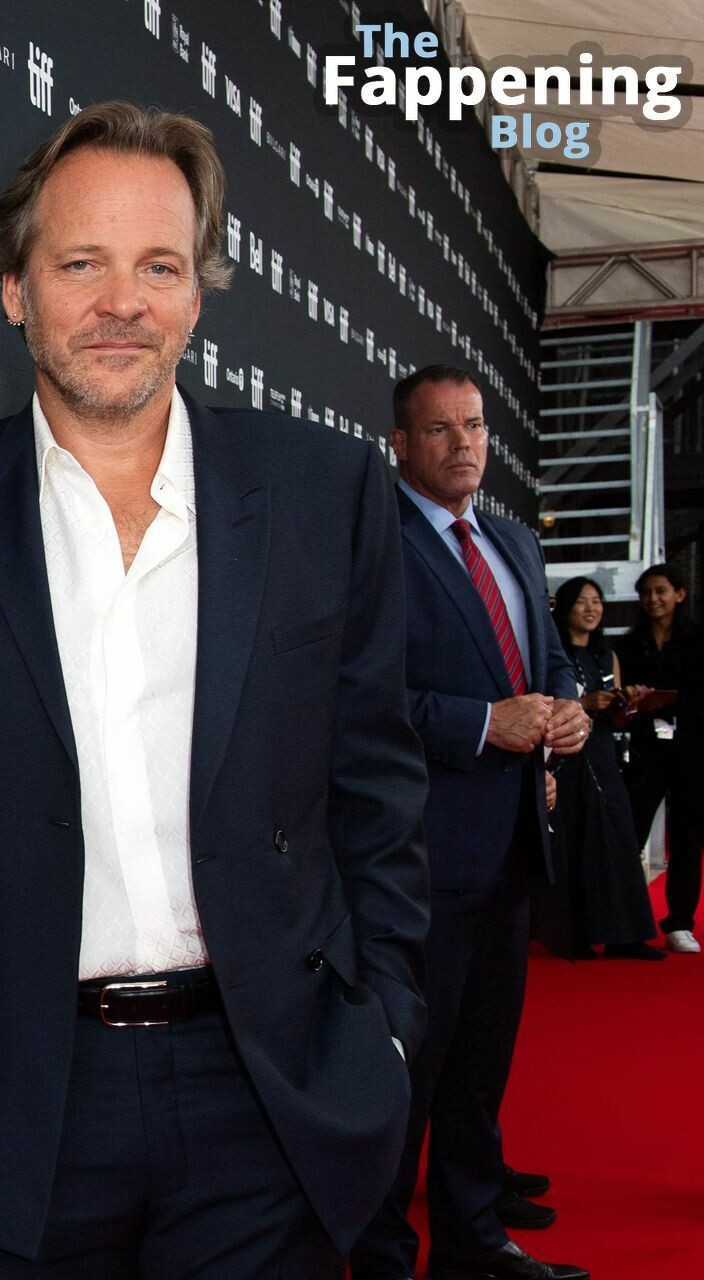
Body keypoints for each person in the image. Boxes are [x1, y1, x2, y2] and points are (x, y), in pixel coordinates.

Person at [0, 100, 428, 1278]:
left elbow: (378, 782)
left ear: (197, 294)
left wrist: (384, 1026)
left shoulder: (323, 491)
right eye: (82, 263)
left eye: (158, 266)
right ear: (14, 289)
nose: (122, 302)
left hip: (268, 1087)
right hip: (26, 1101)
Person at [348, 365, 591, 1280]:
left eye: (476, 426)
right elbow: (357, 698)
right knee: (409, 1075)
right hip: (418, 859)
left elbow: (551, 661)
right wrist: (485, 724)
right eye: (440, 429)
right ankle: (380, 1253)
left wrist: (565, 711)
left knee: (481, 1067)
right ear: (400, 444)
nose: (464, 445)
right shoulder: (374, 543)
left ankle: (473, 1243)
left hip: (514, 849)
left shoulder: (515, 542)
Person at [546, 577, 662, 961]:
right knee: (575, 841)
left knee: (618, 838)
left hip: (602, 753)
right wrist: (584, 702)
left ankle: (625, 935)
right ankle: (572, 933)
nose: (591, 608)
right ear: (565, 607)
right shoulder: (553, 654)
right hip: (565, 754)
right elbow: (546, 702)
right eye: (582, 601)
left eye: (597, 601)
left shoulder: (607, 655)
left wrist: (627, 703)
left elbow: (618, 720)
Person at [616, 563, 701, 952]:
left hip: (692, 748)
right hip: (645, 746)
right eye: (647, 592)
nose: (653, 599)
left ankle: (680, 923)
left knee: (687, 837)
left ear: (680, 594)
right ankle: (623, 921)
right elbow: (619, 704)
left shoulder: (697, 639)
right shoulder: (629, 645)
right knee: (630, 832)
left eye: (661, 591)